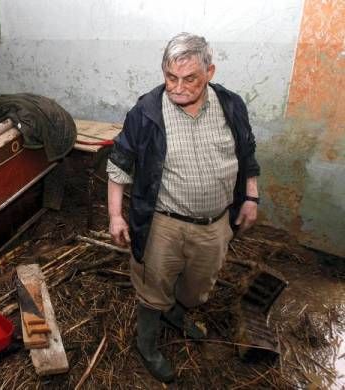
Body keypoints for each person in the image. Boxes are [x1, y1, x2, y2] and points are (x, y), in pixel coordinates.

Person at [106, 32, 260, 383]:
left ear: (210, 72)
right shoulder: (146, 112)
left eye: (189, 78)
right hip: (164, 223)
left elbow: (247, 154)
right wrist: (116, 215)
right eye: (170, 77)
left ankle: (176, 313)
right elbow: (118, 165)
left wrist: (250, 197)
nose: (177, 87)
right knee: (153, 285)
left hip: (215, 223)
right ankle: (147, 344)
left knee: (197, 287)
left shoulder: (231, 105)